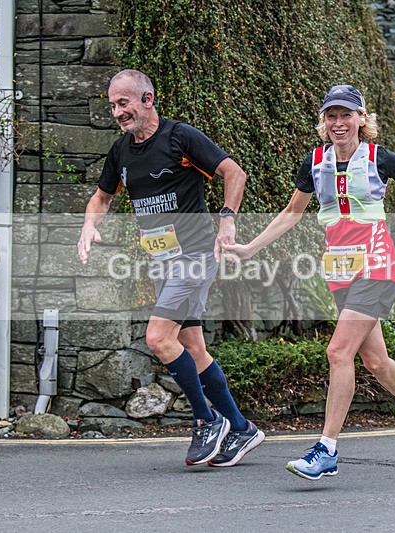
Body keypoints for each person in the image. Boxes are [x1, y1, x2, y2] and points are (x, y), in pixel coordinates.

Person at [224, 85, 395, 480]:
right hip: (340, 271)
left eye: (346, 115)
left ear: (362, 118)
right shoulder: (314, 162)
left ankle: (326, 450)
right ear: (324, 123)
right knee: (374, 361)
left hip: (377, 266)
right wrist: (249, 249)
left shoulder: (379, 159)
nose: (339, 123)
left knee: (338, 352)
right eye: (331, 116)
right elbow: (292, 213)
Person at [77, 69, 264, 467]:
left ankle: (205, 420)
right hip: (163, 262)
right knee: (192, 348)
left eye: (123, 103)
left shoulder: (180, 137)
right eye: (112, 105)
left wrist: (227, 218)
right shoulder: (121, 151)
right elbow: (101, 197)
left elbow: (235, 172)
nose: (117, 112)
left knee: (159, 338)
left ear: (147, 99)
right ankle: (241, 428)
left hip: (195, 257)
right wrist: (89, 225)